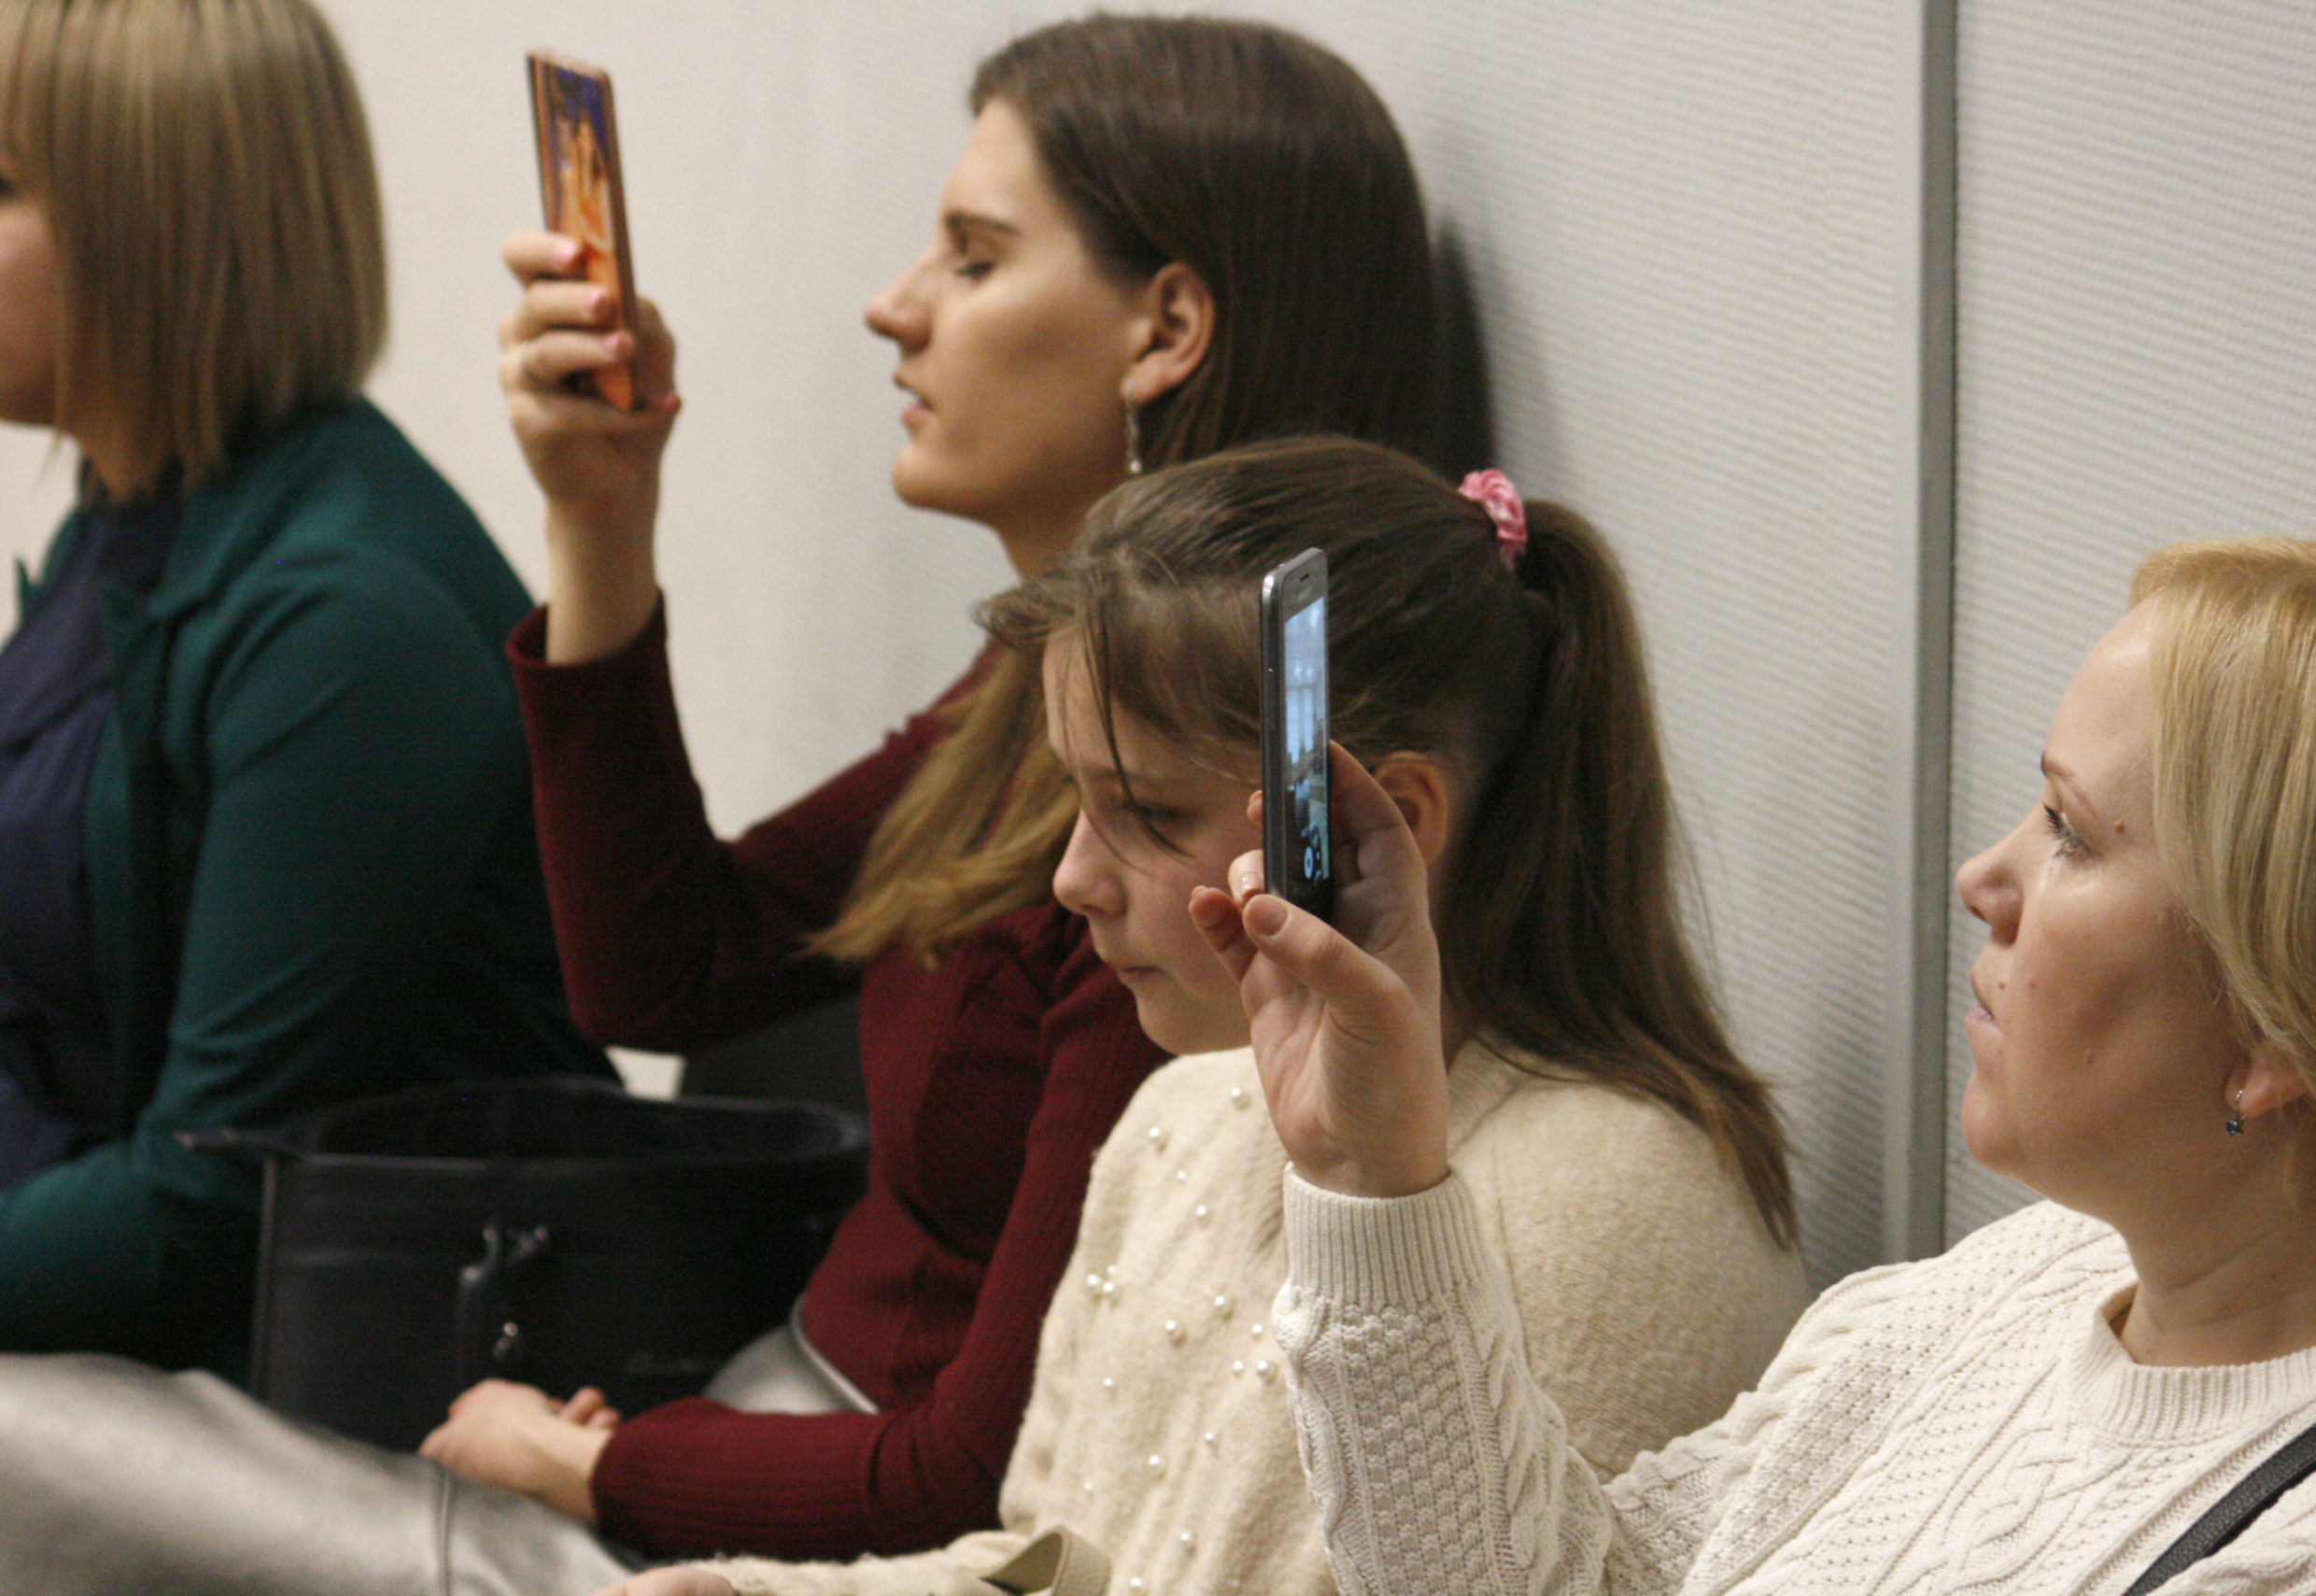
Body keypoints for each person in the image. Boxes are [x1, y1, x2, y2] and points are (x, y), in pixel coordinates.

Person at [0, 17, 1459, 1595]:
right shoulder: (1028, 705)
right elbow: (668, 968)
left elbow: (983, 1470)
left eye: (973, 259)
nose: (894, 305)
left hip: (779, 1535)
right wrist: (601, 521)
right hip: (719, 1435)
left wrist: (602, 1464)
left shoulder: (1191, 846)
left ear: (1165, 328)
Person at [601, 436, 1810, 1596]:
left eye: (1148, 813)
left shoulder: (1616, 1201)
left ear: (1380, 823)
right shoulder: (1180, 1106)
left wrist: (1373, 1206)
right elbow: (1053, 1565)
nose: (1071, 877)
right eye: (1074, 798)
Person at [1248, 536, 2316, 1594]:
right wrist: (1373, 1169)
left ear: (2270, 1035)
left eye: (2070, 831)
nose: (1983, 878)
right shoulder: (2015, 1281)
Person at [0, 0, 602, 1378]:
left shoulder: (347, 622)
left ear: (154, 225)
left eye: (0, 186)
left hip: (329, 1386)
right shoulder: (133, 510)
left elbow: (207, 1202)